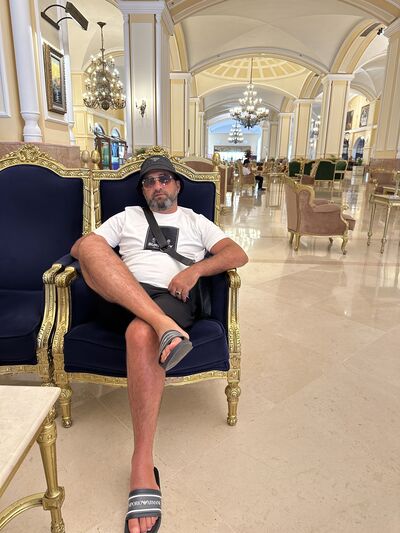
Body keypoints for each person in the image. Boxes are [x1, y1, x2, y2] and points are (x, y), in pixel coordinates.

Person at [70, 155, 248, 533]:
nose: (157, 187)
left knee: (140, 333)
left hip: (174, 298)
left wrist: (195, 270)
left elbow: (237, 254)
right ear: (143, 191)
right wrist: (101, 261)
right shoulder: (127, 217)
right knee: (89, 245)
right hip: (123, 297)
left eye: (164, 179)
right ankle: (163, 326)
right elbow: (81, 248)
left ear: (178, 185)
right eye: (149, 182)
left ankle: (142, 463)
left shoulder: (195, 221)